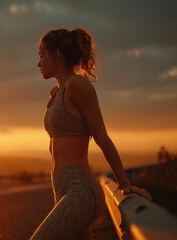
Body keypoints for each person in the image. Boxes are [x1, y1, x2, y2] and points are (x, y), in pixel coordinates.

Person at [30, 27, 152, 240]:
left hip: (80, 189)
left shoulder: (77, 85)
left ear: (56, 55)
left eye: (42, 56)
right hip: (62, 187)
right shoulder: (56, 93)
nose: (38, 63)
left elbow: (102, 137)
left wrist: (124, 184)